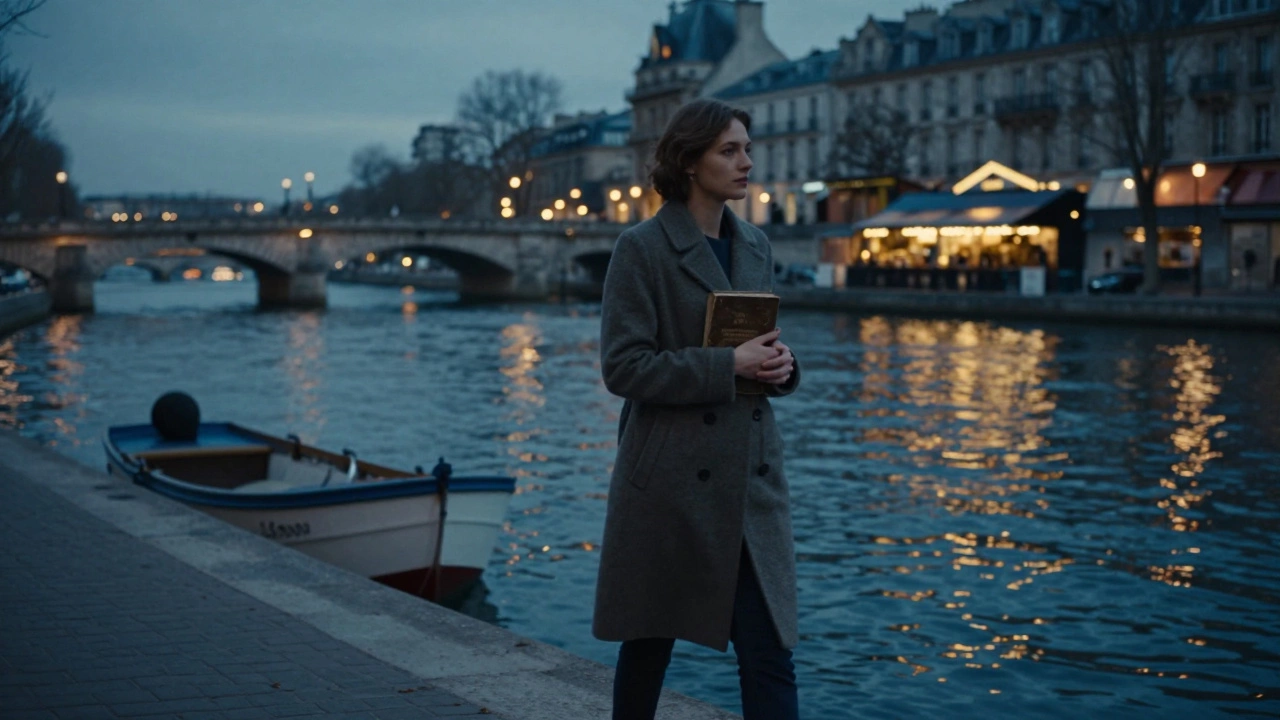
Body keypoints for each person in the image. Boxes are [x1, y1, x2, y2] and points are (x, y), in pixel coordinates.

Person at [593, 98, 801, 720]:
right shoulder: (642, 248)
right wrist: (726, 366)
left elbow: (758, 348)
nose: (746, 163)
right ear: (689, 161)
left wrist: (783, 367)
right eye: (728, 151)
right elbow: (623, 367)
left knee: (769, 652)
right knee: (648, 644)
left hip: (751, 484)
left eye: (747, 149)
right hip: (670, 482)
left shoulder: (755, 244)